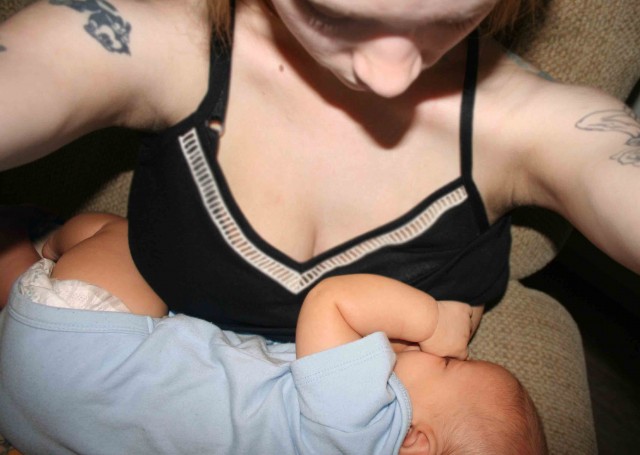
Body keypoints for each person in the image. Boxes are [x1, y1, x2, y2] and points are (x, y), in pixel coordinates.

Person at [0, 0, 638, 449]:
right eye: (332, 12)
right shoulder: (159, 42)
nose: (389, 74)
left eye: (450, 16)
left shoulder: (541, 124)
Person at [2, 211, 546, 453]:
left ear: (414, 442)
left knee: (129, 241)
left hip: (80, 344)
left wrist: (433, 320)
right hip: (40, 420)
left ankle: (43, 242)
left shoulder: (359, 424)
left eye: (451, 364)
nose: (449, 353)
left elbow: (333, 300)